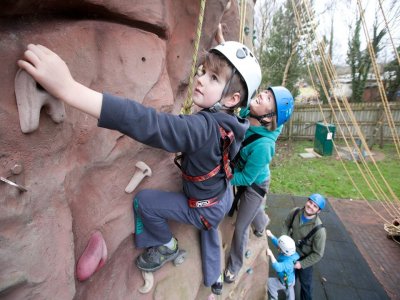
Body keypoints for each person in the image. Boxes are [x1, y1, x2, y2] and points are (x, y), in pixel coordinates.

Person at [17, 38, 261, 295]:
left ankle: (166, 245)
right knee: (210, 228)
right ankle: (215, 281)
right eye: (204, 71)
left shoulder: (203, 128)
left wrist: (69, 89)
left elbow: (149, 123)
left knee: (145, 202)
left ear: (233, 98)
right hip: (222, 196)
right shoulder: (234, 122)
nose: (200, 79)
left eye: (213, 78)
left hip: (203, 207)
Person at [223, 86, 294, 283]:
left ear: (270, 117)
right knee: (254, 212)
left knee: (242, 226)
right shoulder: (248, 112)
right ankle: (262, 223)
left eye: (269, 98)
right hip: (244, 171)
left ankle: (235, 266)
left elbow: (246, 179)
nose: (262, 94)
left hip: (255, 183)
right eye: (265, 92)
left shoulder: (264, 146)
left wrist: (225, 178)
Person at [282, 193, 327, 300]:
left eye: (315, 206)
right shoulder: (295, 212)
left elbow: (318, 254)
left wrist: (301, 264)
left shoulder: (319, 231)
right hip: (290, 254)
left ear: (318, 211)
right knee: (288, 280)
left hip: (304, 258)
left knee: (305, 285)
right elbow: (286, 224)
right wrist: (283, 240)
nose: (311, 206)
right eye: (310, 202)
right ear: (307, 201)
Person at [266, 230, 299, 300]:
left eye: (279, 248)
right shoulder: (291, 253)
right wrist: (271, 235)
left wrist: (271, 255)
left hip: (284, 281)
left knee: (269, 283)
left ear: (283, 250)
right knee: (289, 289)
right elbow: (279, 245)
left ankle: (273, 297)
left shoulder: (288, 263)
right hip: (291, 279)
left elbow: (278, 267)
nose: (278, 248)